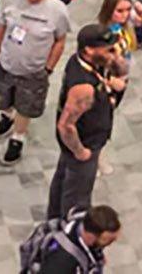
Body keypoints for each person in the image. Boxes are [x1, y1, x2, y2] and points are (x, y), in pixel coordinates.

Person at [0, 0, 72, 165]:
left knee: (25, 107)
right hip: (6, 63)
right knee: (3, 96)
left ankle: (18, 137)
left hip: (33, 71)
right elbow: (2, 27)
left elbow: (60, 41)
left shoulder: (57, 10)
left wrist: (48, 68)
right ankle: (7, 115)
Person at [48, 25, 118, 220]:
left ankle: (53, 219)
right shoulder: (84, 88)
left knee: (63, 178)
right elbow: (65, 125)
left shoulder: (79, 61)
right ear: (89, 50)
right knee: (77, 196)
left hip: (85, 138)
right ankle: (69, 229)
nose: (113, 53)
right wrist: (80, 151)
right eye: (108, 50)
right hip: (85, 142)